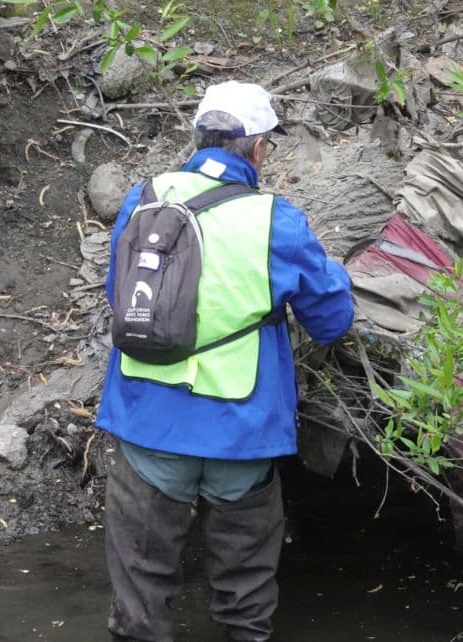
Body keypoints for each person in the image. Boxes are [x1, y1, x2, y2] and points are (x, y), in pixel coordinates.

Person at [97, 80, 355, 642]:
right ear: (259, 148)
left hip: (148, 421)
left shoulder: (143, 198)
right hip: (241, 432)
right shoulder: (275, 221)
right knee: (244, 603)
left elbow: (117, 289)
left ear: (197, 136)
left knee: (140, 603)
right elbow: (332, 321)